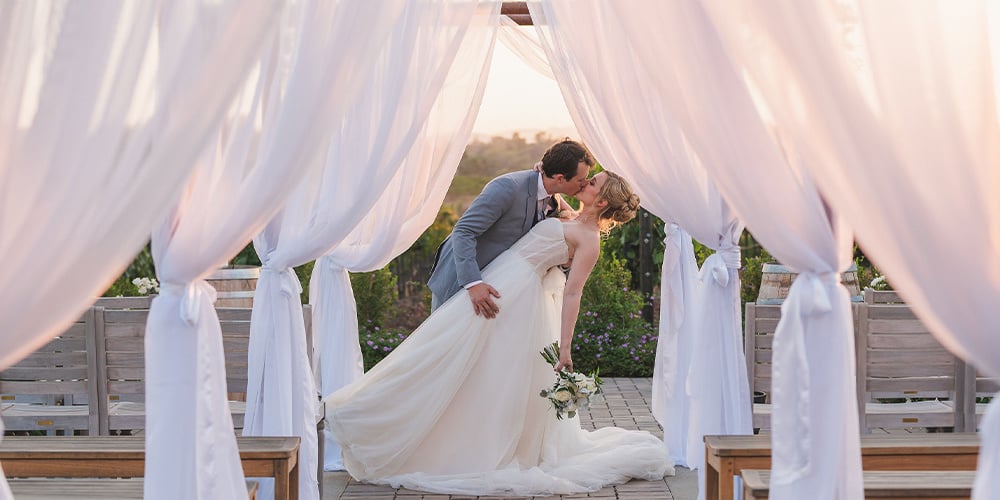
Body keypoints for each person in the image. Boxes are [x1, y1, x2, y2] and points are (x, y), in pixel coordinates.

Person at [326, 171, 674, 496]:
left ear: (601, 202)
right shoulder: (572, 216)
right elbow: (558, 205)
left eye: (592, 182)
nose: (585, 182)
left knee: (487, 370)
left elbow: (572, 293)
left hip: (518, 300)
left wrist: (565, 348)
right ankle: (380, 419)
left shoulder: (589, 240)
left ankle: (476, 445)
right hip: (499, 279)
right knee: (443, 350)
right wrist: (546, 177)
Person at [427, 138, 593, 316]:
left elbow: (573, 219)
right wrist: (473, 283)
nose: (584, 183)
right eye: (581, 180)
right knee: (443, 341)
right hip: (461, 278)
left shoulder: (553, 198)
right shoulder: (507, 188)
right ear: (560, 178)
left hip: (497, 284)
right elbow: (463, 231)